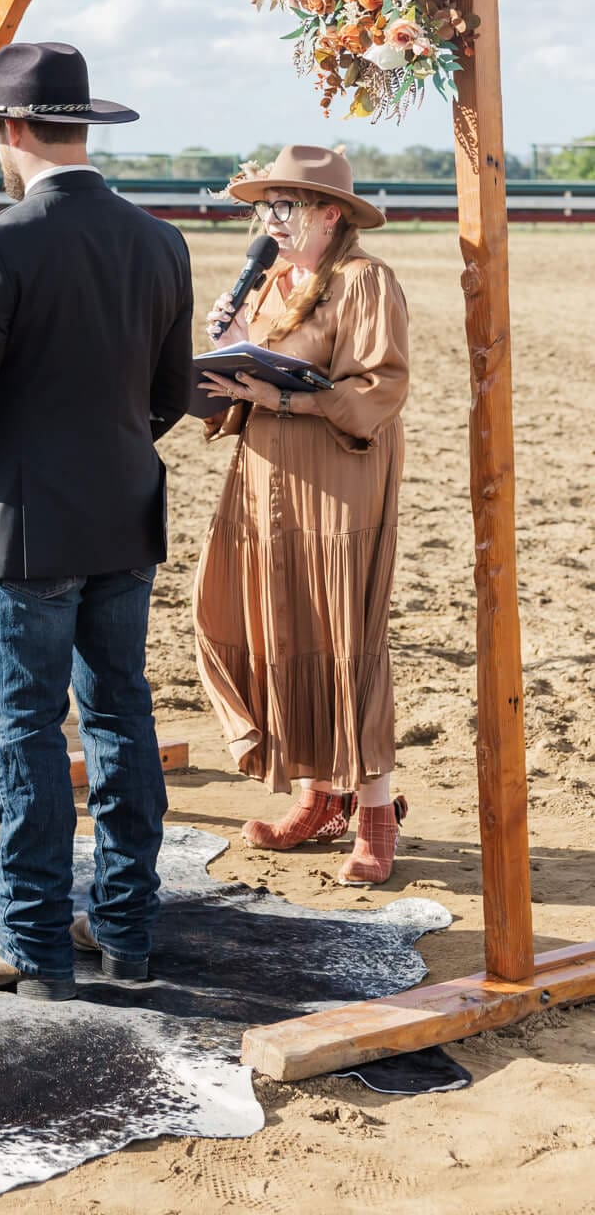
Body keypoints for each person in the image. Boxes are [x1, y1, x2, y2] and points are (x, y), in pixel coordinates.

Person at [0, 40, 194, 1001]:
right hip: (122, 510)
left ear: (12, 131)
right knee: (120, 717)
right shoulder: (160, 239)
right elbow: (172, 394)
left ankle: (29, 943)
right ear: (82, 125)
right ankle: (127, 929)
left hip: (19, 523)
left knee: (24, 734)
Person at [192, 143, 410, 885]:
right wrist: (222, 351)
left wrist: (285, 395)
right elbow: (232, 392)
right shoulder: (270, 281)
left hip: (337, 479)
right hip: (262, 477)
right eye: (263, 208)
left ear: (328, 213)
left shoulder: (363, 280)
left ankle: (373, 816)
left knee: (341, 633)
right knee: (268, 622)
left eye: (283, 207)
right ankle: (319, 794)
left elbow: (378, 389)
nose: (269, 221)